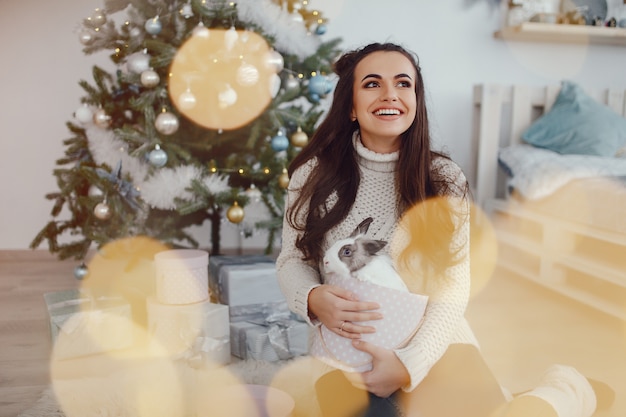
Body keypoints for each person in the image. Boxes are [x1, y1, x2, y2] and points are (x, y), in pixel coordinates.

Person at [275, 42, 611, 417]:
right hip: (347, 357)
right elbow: (292, 259)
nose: (390, 94)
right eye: (372, 84)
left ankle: (566, 390)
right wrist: (311, 297)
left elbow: (452, 290)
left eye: (404, 84)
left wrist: (407, 365)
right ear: (351, 107)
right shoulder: (314, 176)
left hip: (434, 348)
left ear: (416, 101)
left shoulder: (445, 180)